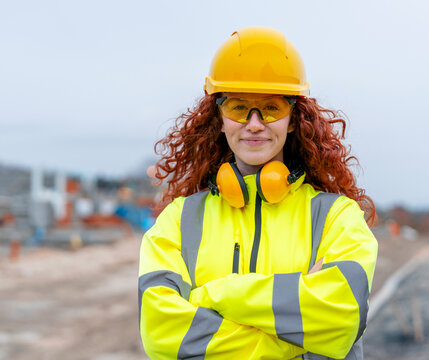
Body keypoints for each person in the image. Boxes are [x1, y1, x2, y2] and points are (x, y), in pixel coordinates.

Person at [138, 26, 378, 360]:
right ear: (219, 118)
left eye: (271, 107)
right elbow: (161, 334)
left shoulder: (337, 217)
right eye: (238, 107)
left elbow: (341, 318)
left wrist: (215, 295)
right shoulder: (178, 221)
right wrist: (296, 337)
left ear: (293, 119)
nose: (254, 124)